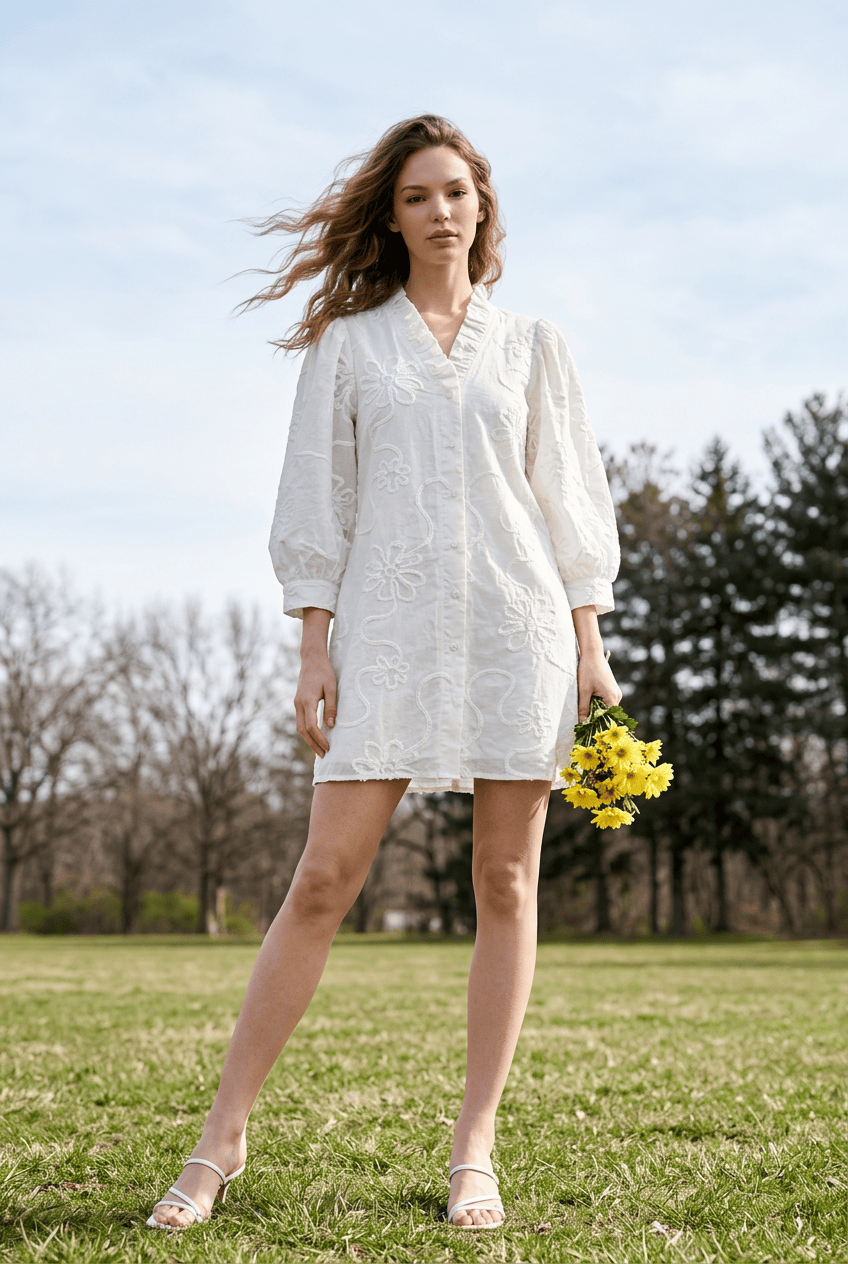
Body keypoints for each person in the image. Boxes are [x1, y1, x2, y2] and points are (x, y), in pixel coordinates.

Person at [147, 113, 621, 1232]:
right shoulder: (350, 347)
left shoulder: (534, 346)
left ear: (481, 207)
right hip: (387, 633)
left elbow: (570, 505)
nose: (441, 211)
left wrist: (590, 647)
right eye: (418, 196)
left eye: (457, 191)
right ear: (392, 216)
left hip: (518, 631)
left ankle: (474, 1149)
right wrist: (312, 643)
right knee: (322, 881)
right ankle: (221, 1139)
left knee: (505, 885)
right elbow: (318, 503)